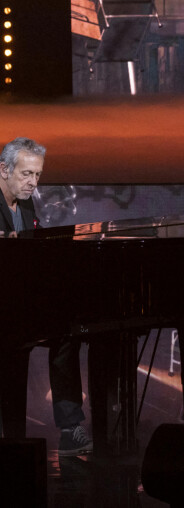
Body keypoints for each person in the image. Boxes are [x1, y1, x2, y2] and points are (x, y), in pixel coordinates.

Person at [0, 137, 93, 456]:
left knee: (66, 332)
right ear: (4, 170)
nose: (33, 182)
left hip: (16, 300)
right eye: (26, 174)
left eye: (37, 175)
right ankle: (10, 436)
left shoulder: (25, 203)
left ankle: (70, 428)